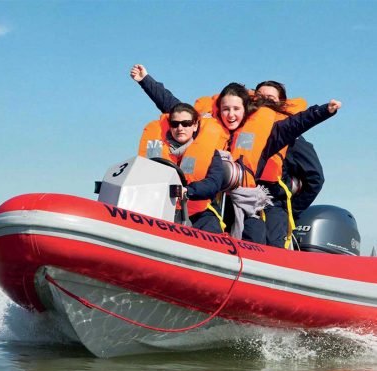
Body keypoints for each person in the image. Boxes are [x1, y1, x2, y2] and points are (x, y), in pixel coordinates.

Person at [130, 65, 341, 244]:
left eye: (236, 109)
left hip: (254, 202)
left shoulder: (269, 134)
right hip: (214, 198)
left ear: (246, 109)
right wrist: (146, 81)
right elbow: (175, 109)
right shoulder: (207, 127)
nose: (230, 115)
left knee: (258, 234)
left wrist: (324, 111)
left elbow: (296, 125)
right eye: (225, 109)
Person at [137, 103, 227, 233]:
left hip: (199, 213)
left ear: (195, 126)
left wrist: (188, 190)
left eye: (186, 123)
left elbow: (213, 183)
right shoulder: (156, 149)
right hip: (159, 209)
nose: (180, 128)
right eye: (175, 124)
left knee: (211, 226)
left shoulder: (211, 153)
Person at [255, 80, 325, 222]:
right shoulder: (242, 130)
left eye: (270, 98)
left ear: (281, 103)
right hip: (239, 201)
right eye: (259, 96)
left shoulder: (293, 139)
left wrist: (290, 211)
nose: (263, 101)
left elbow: (315, 179)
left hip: (273, 207)